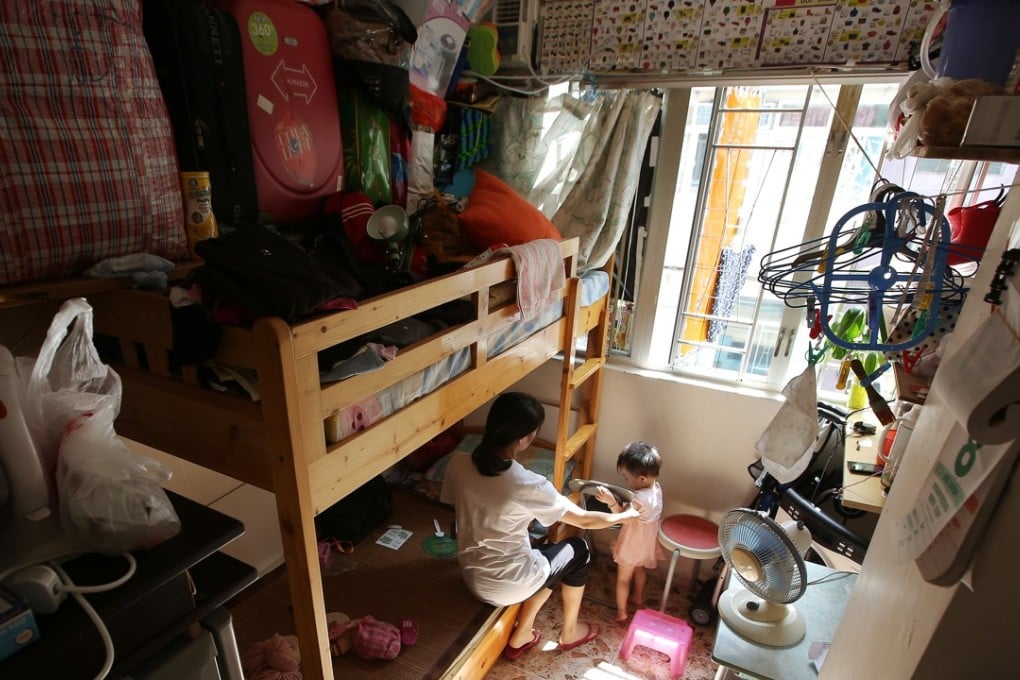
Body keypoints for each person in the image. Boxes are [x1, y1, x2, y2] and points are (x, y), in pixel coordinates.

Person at [441, 392, 641, 660]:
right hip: (508, 585)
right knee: (578, 549)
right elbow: (584, 519)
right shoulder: (527, 484)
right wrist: (624, 516)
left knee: (552, 553)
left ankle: (524, 632)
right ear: (525, 438)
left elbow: (457, 519)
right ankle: (569, 632)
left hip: (471, 576)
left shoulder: (457, 463)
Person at [595, 441, 664, 624]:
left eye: (626, 478)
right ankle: (637, 596)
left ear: (641, 478)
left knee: (623, 579)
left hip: (632, 543)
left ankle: (622, 612)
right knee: (639, 568)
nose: (626, 481)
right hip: (646, 541)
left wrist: (610, 501)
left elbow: (622, 517)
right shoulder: (656, 489)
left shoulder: (638, 500)